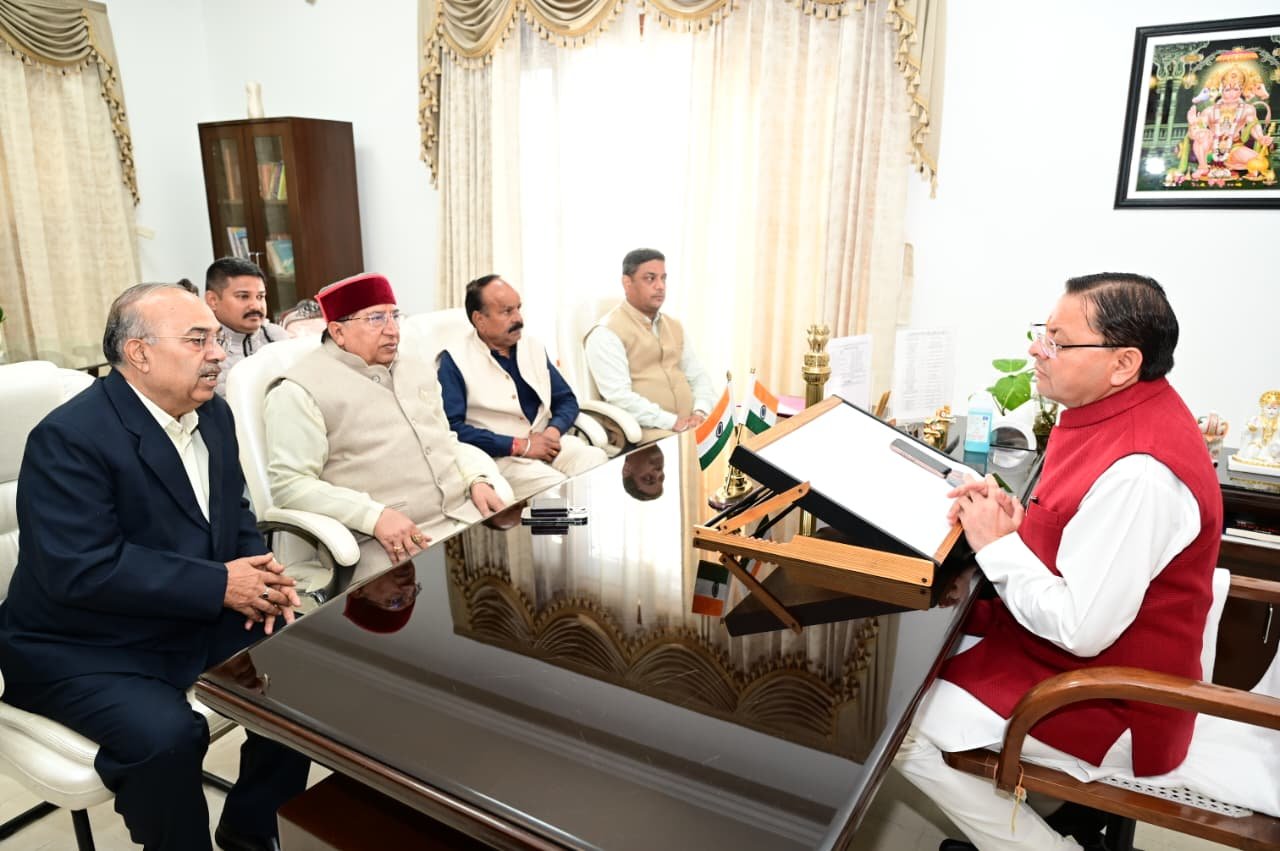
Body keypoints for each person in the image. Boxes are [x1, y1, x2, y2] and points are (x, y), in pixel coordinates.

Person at [894, 273, 1223, 851]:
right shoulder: (1116, 411)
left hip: (1111, 698)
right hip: (1080, 660)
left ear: (1123, 363)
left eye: (1058, 341)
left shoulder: (1142, 473)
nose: (1035, 350)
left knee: (893, 724)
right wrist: (1017, 526)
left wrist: (996, 547)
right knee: (926, 653)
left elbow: (1079, 629)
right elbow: (1085, 533)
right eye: (1042, 333)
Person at [0, 283, 310, 851]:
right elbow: (81, 569)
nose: (217, 353)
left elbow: (232, 512)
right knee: (167, 738)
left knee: (299, 671)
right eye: (198, 340)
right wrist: (223, 583)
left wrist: (262, 578)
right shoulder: (68, 439)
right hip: (79, 642)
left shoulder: (212, 414)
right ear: (139, 353)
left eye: (215, 339)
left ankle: (251, 828)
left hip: (182, 611)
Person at [263, 272, 510, 579]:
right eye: (376, 318)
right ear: (338, 331)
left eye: (395, 316)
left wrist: (476, 477)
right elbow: (290, 485)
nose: (392, 330)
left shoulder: (414, 366)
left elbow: (444, 439)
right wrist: (373, 516)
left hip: (464, 518)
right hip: (385, 546)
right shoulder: (298, 390)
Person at [438, 275, 607, 500]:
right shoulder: (454, 360)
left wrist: (553, 431)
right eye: (507, 312)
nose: (518, 318)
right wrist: (519, 445)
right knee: (555, 490)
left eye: (518, 308)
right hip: (503, 456)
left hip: (549, 442)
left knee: (596, 463)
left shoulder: (532, 346)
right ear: (480, 319)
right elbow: (452, 428)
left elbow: (565, 399)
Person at [584, 248, 716, 442]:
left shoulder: (674, 326)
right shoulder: (606, 333)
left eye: (663, 278)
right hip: (648, 432)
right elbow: (620, 397)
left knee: (740, 441)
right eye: (650, 278)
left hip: (690, 427)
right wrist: (673, 422)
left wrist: (701, 412)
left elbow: (698, 376)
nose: (660, 286)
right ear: (627, 283)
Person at [204, 257, 286, 396]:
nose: (255, 306)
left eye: (260, 297)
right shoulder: (202, 350)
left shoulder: (276, 337)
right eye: (243, 296)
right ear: (213, 300)